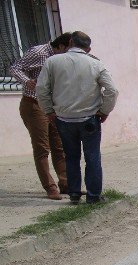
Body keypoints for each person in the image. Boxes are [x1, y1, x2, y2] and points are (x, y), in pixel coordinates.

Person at [36, 31, 118, 205]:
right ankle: (93, 196)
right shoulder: (96, 63)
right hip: (89, 119)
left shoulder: (52, 62)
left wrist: (49, 111)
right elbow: (112, 91)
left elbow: (41, 89)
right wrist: (104, 111)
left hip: (64, 119)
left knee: (71, 156)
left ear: (71, 41)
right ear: (88, 48)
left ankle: (74, 194)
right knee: (92, 157)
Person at [9, 32, 72, 200]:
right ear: (60, 46)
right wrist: (26, 81)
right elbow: (15, 67)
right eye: (68, 51)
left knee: (59, 146)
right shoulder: (39, 52)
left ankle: (65, 184)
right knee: (42, 148)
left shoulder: (61, 59)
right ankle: (50, 187)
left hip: (53, 107)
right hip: (34, 104)